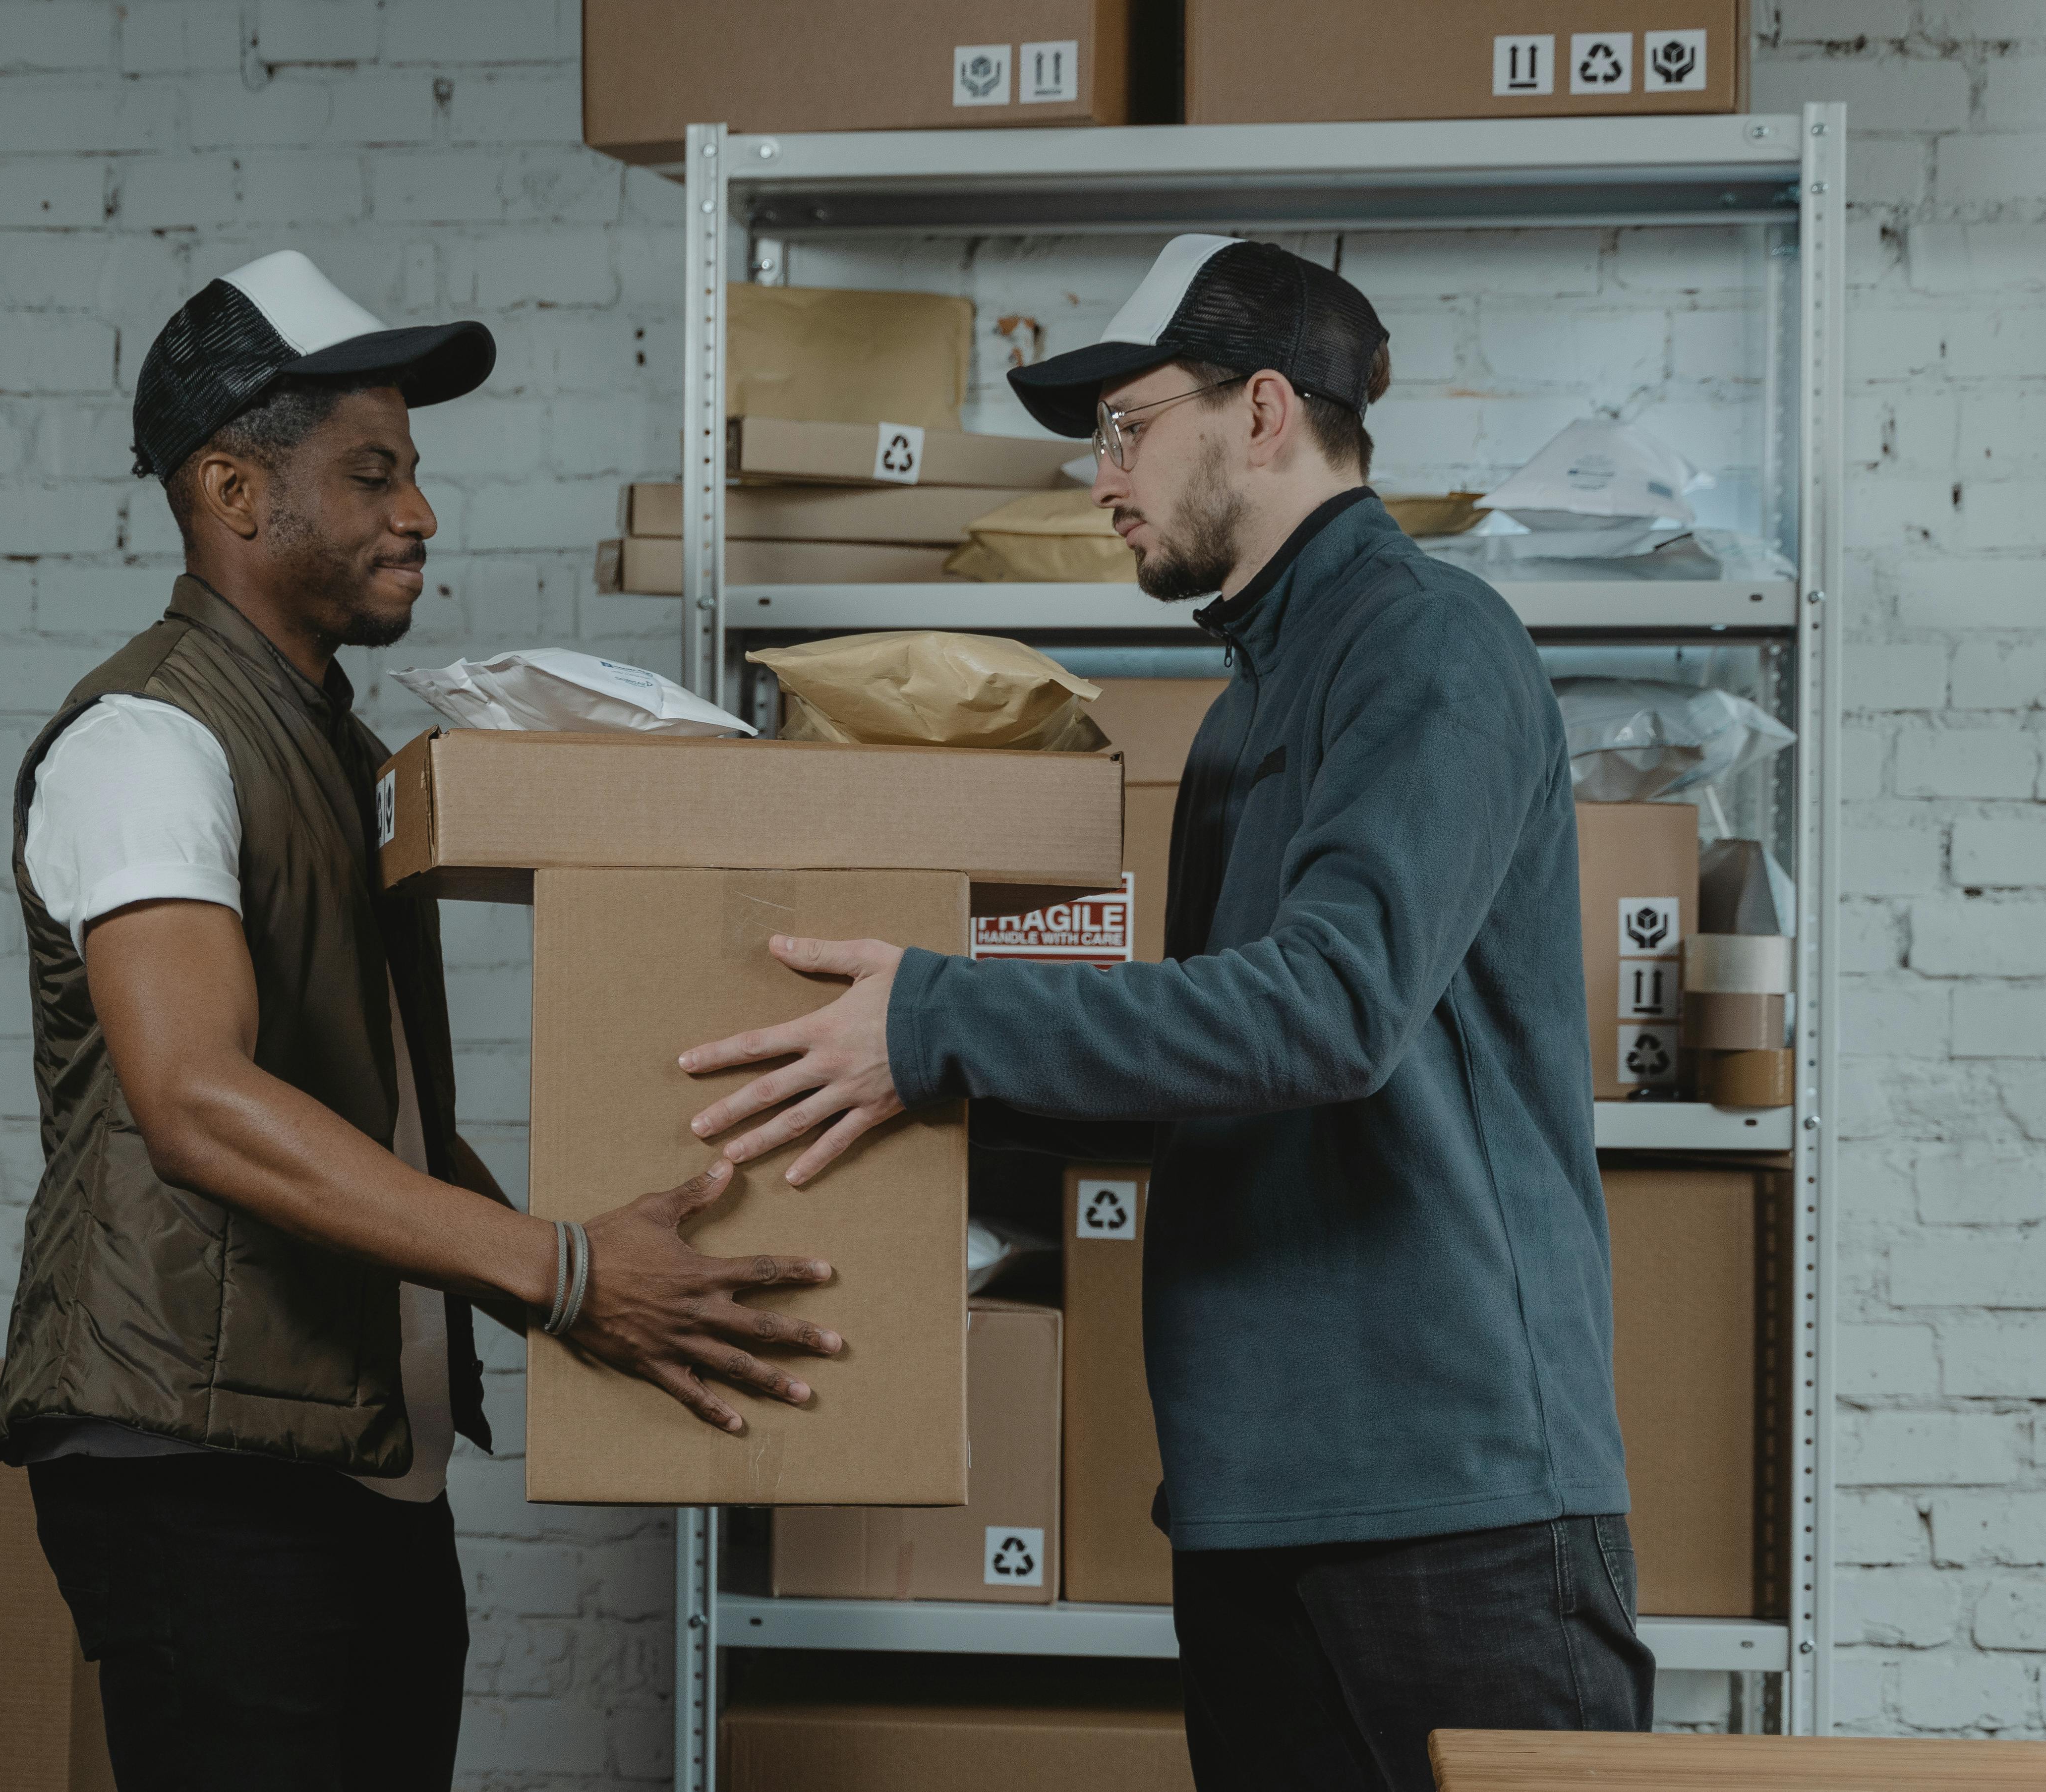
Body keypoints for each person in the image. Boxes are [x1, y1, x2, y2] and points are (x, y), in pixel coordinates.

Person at [677, 235, 1653, 1790]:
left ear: (1261, 410)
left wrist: (938, 1019)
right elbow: (1193, 1075)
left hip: (1449, 1504)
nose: (1099, 476)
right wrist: (880, 1093)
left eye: (1126, 426)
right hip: (1250, 1497)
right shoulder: (1240, 714)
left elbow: (1333, 1011)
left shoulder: (1429, 647)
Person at [0, 250, 845, 1792]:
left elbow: (370, 1105)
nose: (421, 515)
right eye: (371, 474)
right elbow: (192, 1094)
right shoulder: (145, 740)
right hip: (202, 1474)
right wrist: (564, 1270)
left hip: (342, 1462)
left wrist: (592, 1277)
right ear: (235, 493)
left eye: (416, 472)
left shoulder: (335, 748)